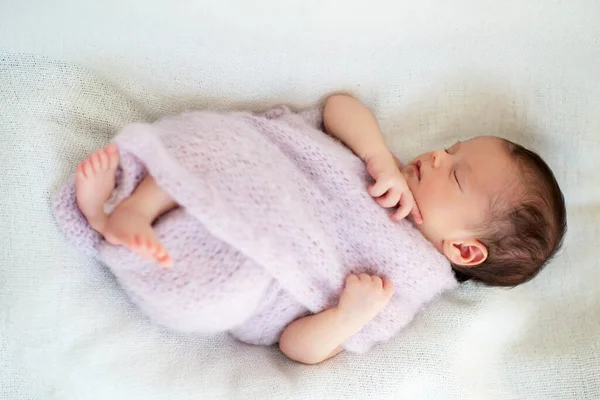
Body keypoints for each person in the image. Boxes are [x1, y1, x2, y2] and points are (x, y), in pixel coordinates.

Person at [72, 94, 566, 364]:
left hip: (259, 271)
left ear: (465, 250)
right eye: (453, 147)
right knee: (228, 148)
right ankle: (131, 208)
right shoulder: (389, 169)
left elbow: (299, 348)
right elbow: (339, 107)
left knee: (213, 298)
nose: (438, 155)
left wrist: (348, 317)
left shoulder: (397, 296)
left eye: (456, 173)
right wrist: (377, 157)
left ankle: (111, 225)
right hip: (265, 178)